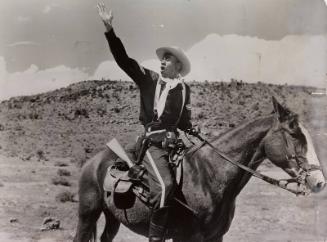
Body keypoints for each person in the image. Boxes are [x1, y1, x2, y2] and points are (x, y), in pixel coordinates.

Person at [97, 3, 199, 242]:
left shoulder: (185, 90)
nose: (162, 62)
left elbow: (184, 121)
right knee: (164, 186)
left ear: (178, 66)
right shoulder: (149, 80)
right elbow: (124, 60)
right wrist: (109, 29)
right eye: (162, 59)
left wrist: (192, 130)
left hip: (177, 145)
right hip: (153, 144)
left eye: (168, 59)